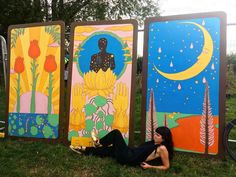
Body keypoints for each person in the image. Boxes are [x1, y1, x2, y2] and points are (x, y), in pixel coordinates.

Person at [71, 127, 173, 170]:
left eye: (158, 135)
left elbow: (166, 166)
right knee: (110, 150)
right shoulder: (154, 142)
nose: (155, 136)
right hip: (129, 153)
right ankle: (84, 150)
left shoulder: (162, 148)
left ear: (164, 138)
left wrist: (150, 167)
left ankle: (98, 143)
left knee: (116, 133)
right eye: (155, 133)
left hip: (129, 158)